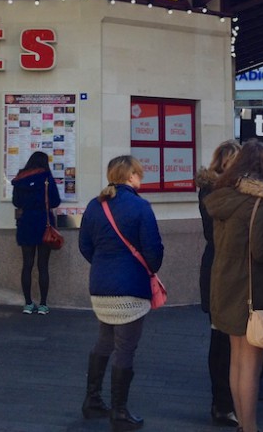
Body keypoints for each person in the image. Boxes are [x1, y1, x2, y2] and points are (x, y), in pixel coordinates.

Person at [79, 155, 163, 431]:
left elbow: (84, 246)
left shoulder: (94, 206)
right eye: (138, 174)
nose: (140, 178)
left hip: (101, 287)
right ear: (130, 177)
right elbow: (153, 251)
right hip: (130, 289)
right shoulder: (140, 207)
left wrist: (104, 266)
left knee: (104, 340)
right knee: (125, 347)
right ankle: (119, 411)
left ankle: (92, 400)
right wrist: (144, 268)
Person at [205, 139, 263, 432]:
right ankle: (249, 426)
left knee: (236, 360)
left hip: (224, 284)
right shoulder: (258, 202)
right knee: (250, 364)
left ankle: (241, 422)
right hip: (251, 289)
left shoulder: (222, 197)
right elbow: (261, 251)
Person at [195, 140, 241, 428]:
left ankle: (223, 400)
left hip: (214, 268)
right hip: (227, 271)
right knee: (226, 342)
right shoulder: (228, 194)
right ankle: (225, 402)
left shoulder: (208, 191)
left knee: (220, 338)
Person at [11, 151, 61, 315]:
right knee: (43, 265)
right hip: (43, 224)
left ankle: (27, 303)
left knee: (27, 264)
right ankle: (43, 304)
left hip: (25, 223)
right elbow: (55, 201)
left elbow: (16, 202)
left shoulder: (20, 177)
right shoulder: (46, 177)